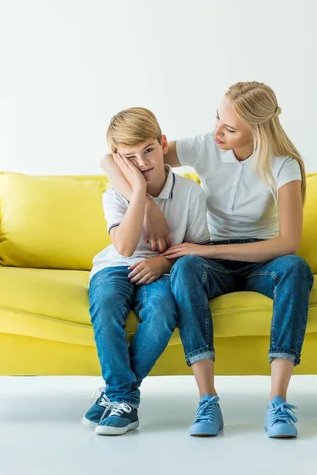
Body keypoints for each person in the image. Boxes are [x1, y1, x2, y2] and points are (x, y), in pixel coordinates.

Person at [102, 81, 313, 439]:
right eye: (218, 118)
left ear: (257, 130)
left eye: (229, 128)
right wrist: (149, 206)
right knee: (185, 267)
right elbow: (113, 160)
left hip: (259, 258)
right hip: (209, 261)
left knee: (296, 269)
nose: (217, 131)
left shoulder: (283, 165)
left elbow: (288, 243)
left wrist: (207, 250)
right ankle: (207, 399)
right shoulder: (206, 146)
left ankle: (277, 402)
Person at [83, 107, 210, 436]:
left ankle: (116, 395)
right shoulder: (115, 195)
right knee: (107, 304)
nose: (143, 162)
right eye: (131, 157)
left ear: (163, 143)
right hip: (114, 268)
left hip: (163, 271)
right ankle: (124, 397)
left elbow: (197, 251)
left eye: (149, 150)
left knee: (163, 310)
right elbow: (123, 248)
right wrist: (140, 193)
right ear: (119, 160)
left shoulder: (191, 194)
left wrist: (162, 262)